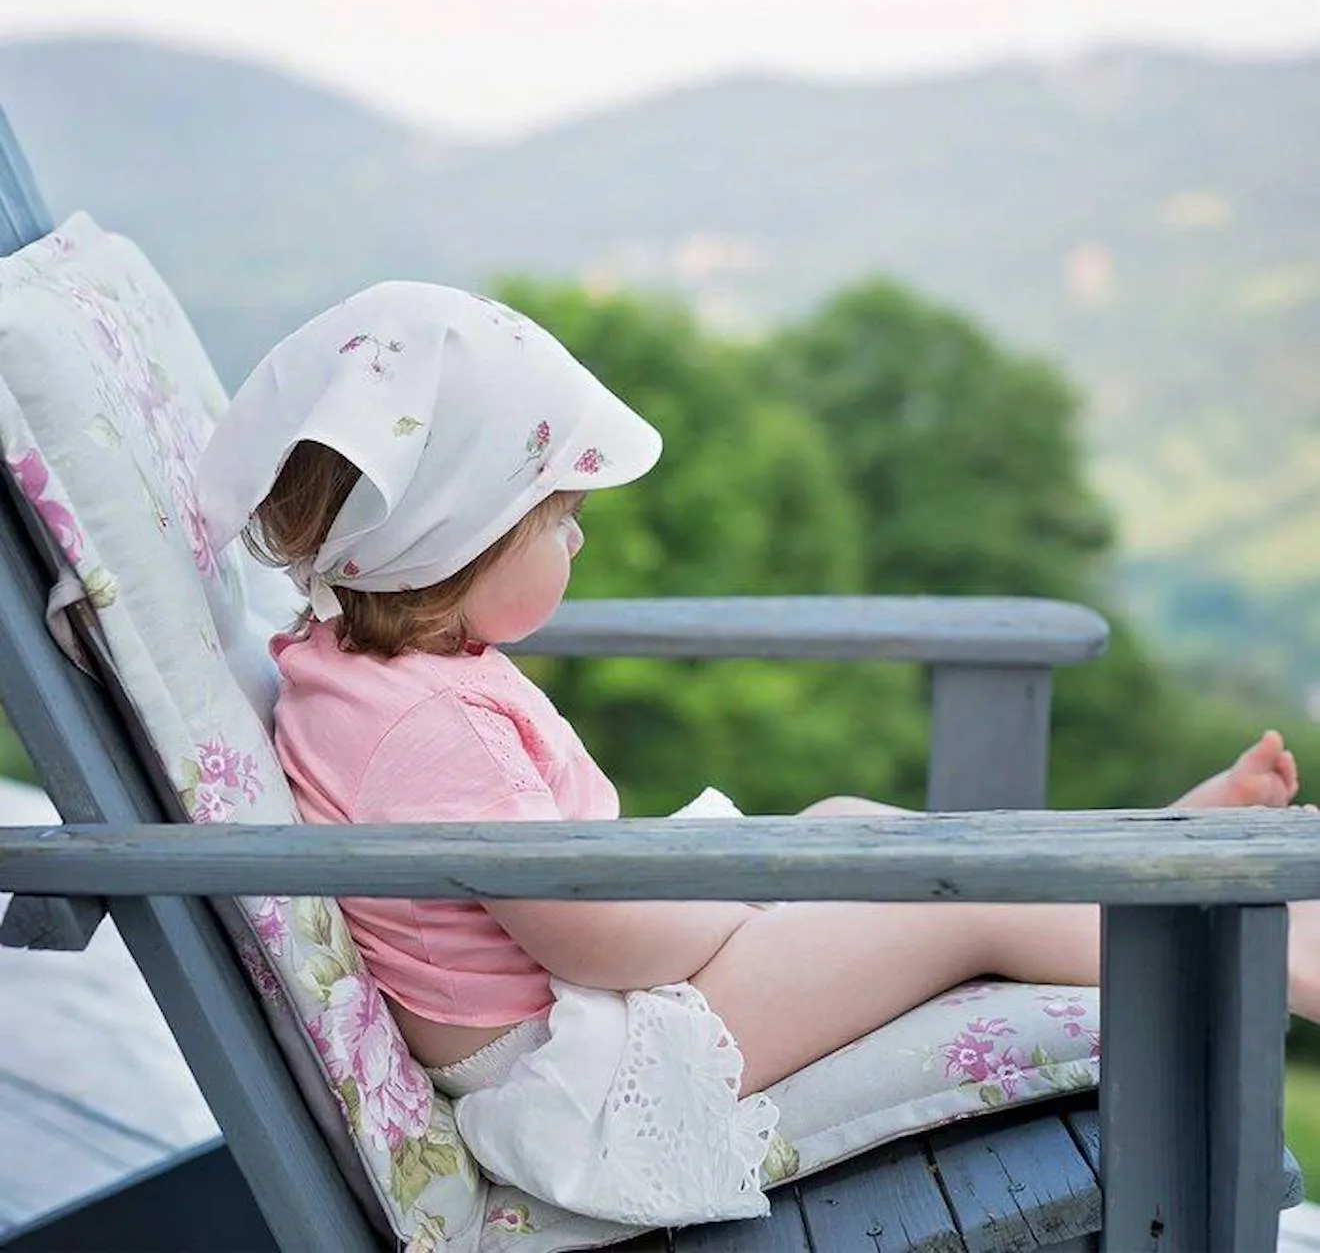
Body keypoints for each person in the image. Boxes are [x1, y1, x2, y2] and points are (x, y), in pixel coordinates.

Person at [197, 281, 1310, 1225]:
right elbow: (603, 943)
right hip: (584, 1074)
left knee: (842, 829)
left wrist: (760, 889)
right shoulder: (426, 732)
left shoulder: (367, 662)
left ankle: (1153, 853)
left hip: (591, 1008)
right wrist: (747, 901)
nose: (578, 537)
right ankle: (1253, 939)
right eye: (557, 518)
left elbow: (587, 915)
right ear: (457, 539)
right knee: (945, 904)